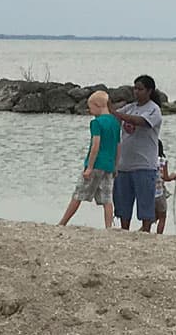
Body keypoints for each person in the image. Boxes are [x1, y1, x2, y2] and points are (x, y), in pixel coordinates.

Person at [110, 75, 164, 231]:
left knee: (145, 207)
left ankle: (145, 232)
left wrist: (117, 113)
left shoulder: (154, 110)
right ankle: (124, 231)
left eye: (140, 89)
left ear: (149, 91)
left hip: (144, 166)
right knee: (123, 206)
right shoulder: (130, 107)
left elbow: (140, 121)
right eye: (134, 88)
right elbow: (113, 118)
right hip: (124, 165)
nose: (136, 92)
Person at [60, 89, 118, 227]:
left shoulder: (96, 123)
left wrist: (89, 167)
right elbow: (118, 145)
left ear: (98, 106)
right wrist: (116, 165)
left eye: (91, 107)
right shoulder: (115, 122)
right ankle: (108, 226)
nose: (90, 111)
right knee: (107, 198)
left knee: (78, 194)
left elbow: (95, 145)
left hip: (96, 164)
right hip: (109, 165)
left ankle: (63, 222)